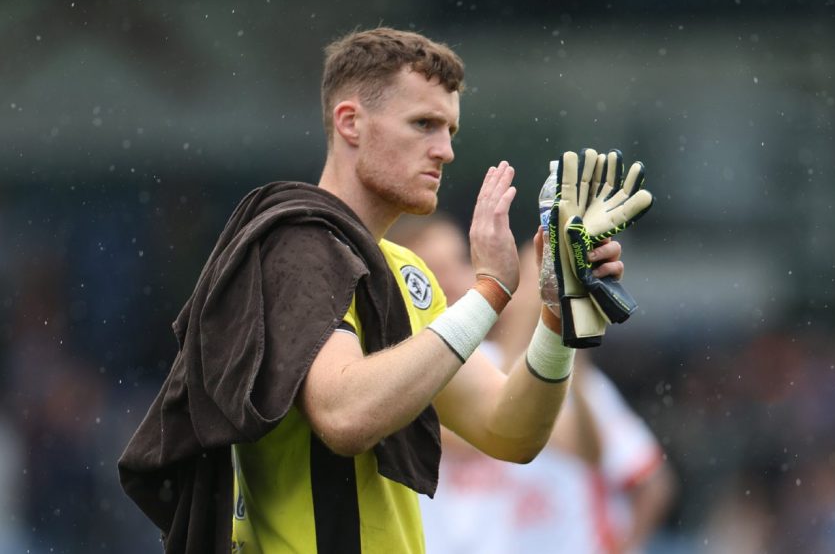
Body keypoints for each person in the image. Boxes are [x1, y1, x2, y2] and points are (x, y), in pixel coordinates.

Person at [118, 27, 628, 554]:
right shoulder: (297, 246)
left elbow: (510, 431)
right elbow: (345, 415)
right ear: (350, 123)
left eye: (450, 129)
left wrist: (554, 319)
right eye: (424, 124)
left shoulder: (403, 270)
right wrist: (488, 294)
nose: (446, 150)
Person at [391, 215, 675, 554]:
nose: (454, 278)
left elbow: (592, 453)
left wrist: (566, 329)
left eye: (459, 261)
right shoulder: (404, 367)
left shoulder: (511, 361)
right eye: (434, 268)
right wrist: (534, 307)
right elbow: (495, 427)